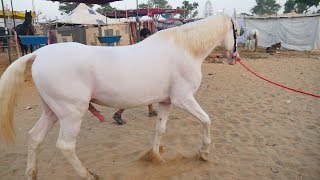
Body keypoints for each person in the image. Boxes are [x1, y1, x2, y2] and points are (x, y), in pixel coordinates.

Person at [113, 28, 157, 125]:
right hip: (138, 75)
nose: (147, 38)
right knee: (133, 96)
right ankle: (118, 113)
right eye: (146, 36)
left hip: (142, 74)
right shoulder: (141, 47)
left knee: (149, 92)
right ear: (142, 37)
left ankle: (151, 111)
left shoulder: (142, 46)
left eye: (148, 36)